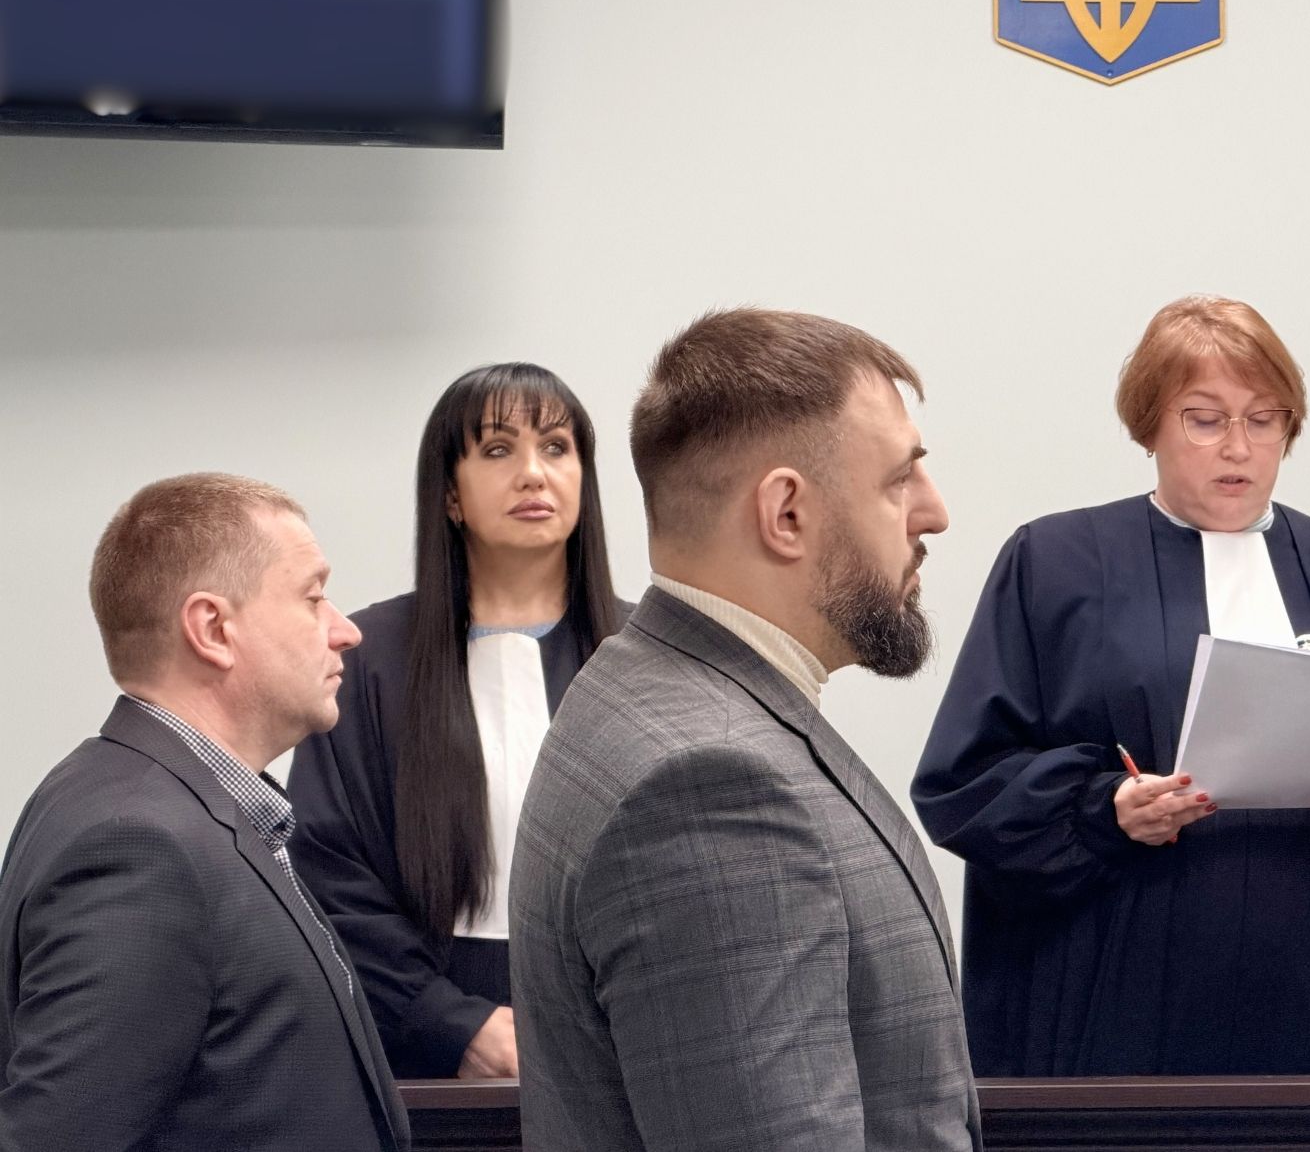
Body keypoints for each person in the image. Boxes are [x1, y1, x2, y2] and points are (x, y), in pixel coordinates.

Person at [912, 294, 1310, 1077]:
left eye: (1264, 420)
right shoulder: (1054, 565)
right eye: (1204, 419)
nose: (1238, 447)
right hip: (1109, 1001)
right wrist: (1105, 810)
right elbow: (967, 780)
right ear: (1149, 425)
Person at [510, 309, 979, 1151]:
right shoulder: (708, 787)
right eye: (899, 480)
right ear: (786, 514)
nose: (934, 513)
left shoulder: (644, 683)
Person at [0, 474, 409, 1151]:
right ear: (213, 629)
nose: (345, 631)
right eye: (312, 598)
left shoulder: (157, 806)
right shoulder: (140, 848)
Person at [289, 363, 627, 1079]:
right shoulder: (368, 660)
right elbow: (330, 872)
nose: (533, 474)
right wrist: (453, 1024)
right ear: (450, 494)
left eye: (556, 448)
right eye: (498, 449)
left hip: (628, 1050)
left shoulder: (648, 656)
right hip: (430, 1066)